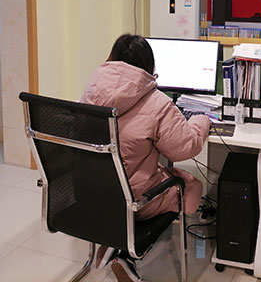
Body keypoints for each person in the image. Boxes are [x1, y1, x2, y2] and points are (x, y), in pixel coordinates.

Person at [79, 34, 210, 281]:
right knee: (190, 187)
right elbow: (185, 148)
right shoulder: (157, 102)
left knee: (150, 170)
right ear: (148, 66)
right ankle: (126, 247)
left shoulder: (91, 90)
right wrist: (201, 121)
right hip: (132, 200)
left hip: (90, 193)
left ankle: (116, 246)